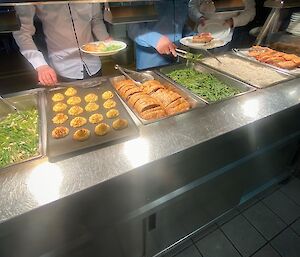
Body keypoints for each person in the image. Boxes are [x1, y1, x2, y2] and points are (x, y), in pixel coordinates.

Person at [13, 3, 110, 86]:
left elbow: (96, 20)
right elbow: (22, 32)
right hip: (62, 67)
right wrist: (40, 65)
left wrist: (105, 39)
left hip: (93, 63)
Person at [128, 0, 189, 70]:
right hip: (151, 63)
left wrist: (193, 36)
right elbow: (133, 28)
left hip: (177, 61)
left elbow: (180, 25)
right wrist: (156, 40)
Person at [188, 0, 256, 47]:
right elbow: (192, 5)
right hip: (201, 32)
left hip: (224, 36)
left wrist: (233, 21)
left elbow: (250, 11)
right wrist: (199, 17)